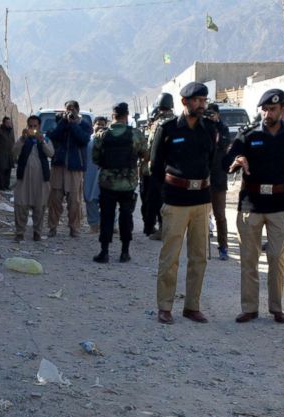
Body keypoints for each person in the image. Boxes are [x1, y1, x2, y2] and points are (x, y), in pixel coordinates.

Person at [227, 89, 284, 325]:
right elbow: (227, 162)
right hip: (251, 204)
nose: (267, 113)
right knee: (249, 258)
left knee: (276, 257)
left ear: (282, 110)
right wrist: (236, 162)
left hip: (280, 204)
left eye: (272, 109)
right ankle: (250, 308)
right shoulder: (248, 135)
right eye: (264, 109)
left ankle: (277, 308)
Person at [151, 82, 220, 324]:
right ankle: (165, 306)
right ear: (184, 102)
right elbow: (155, 166)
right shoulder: (168, 128)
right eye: (197, 101)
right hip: (175, 199)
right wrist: (165, 195)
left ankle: (192, 306)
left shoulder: (209, 129)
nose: (202, 105)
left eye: (204, 100)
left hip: (201, 200)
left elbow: (211, 161)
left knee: (199, 256)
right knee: (170, 256)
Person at [92, 102, 148, 263]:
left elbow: (95, 159)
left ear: (112, 116)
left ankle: (104, 252)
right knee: (126, 217)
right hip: (127, 183)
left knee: (107, 216)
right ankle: (125, 252)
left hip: (107, 183)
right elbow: (145, 154)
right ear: (127, 115)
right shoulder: (135, 134)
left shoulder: (101, 135)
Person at [47, 100, 92, 238]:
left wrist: (73, 124)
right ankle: (52, 227)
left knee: (75, 201)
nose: (70, 112)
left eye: (72, 109)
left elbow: (83, 139)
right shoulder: (61, 122)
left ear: (78, 110)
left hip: (75, 168)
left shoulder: (84, 124)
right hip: (59, 166)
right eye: (67, 109)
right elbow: (53, 136)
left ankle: (74, 228)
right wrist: (63, 122)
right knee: (55, 199)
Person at [11, 115, 54, 241]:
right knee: (20, 205)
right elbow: (14, 152)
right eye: (30, 126)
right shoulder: (23, 139)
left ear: (39, 127)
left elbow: (51, 153)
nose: (33, 129)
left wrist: (42, 142)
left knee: (39, 206)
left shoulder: (45, 139)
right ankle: (20, 232)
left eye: (35, 126)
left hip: (40, 178)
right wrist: (23, 140)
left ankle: (37, 232)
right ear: (27, 126)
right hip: (24, 177)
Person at [143, 93, 176, 239]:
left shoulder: (159, 124)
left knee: (155, 199)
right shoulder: (178, 121)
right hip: (174, 168)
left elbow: (150, 146)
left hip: (158, 168)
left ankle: (159, 229)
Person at [205, 103, 231, 260]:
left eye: (213, 114)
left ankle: (223, 247)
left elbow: (224, 144)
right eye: (208, 114)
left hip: (218, 178)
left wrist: (216, 126)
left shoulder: (223, 128)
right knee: (200, 216)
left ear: (218, 114)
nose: (210, 116)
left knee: (220, 215)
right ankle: (201, 246)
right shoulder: (202, 128)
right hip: (203, 177)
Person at [84, 116, 109, 234]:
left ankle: (111, 225)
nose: (100, 127)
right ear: (93, 126)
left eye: (103, 125)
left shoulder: (109, 140)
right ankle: (93, 225)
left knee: (108, 200)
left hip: (105, 174)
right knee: (90, 199)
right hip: (90, 174)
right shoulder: (87, 141)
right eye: (98, 124)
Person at [0, 117, 15, 191]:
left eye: (9, 122)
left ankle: (6, 186)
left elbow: (13, 141)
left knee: (8, 171)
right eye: (7, 122)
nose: (9, 124)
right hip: (1, 154)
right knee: (1, 171)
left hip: (10, 155)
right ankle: (1, 187)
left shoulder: (11, 131)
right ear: (3, 123)